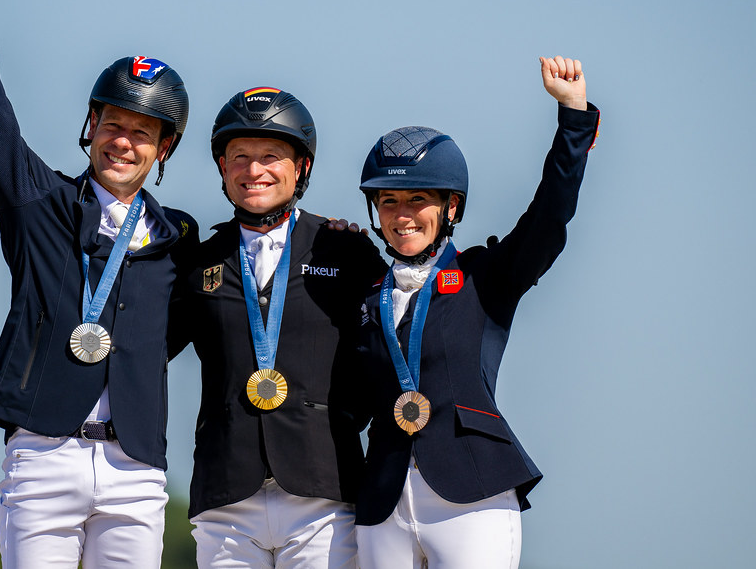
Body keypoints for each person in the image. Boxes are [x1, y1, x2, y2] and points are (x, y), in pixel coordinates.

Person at [0, 0, 197, 568]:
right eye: (113, 123)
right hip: (43, 456)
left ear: (162, 150)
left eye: (142, 133)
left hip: (136, 467)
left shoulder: (180, 235)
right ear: (91, 125)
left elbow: (174, 328)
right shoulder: (39, 200)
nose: (123, 141)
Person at [352, 56, 599, 568]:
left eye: (418, 198)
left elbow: (550, 216)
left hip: (471, 492)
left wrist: (573, 117)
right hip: (382, 497)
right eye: (388, 200)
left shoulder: (485, 277)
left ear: (451, 208)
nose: (401, 214)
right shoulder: (363, 294)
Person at [168, 87, 388, 568]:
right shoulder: (198, 262)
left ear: (301, 167)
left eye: (271, 156)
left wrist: (345, 417)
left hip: (323, 489)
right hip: (226, 495)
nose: (254, 170)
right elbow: (145, 349)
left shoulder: (344, 251)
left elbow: (386, 352)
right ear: (222, 167)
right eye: (240, 157)